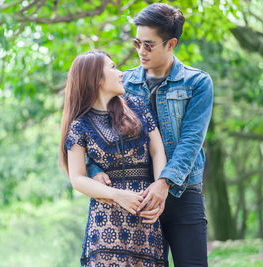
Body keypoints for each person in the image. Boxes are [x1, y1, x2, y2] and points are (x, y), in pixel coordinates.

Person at [87, 3, 213, 267]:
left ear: (171, 44)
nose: (140, 52)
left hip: (182, 191)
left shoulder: (198, 83)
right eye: (137, 43)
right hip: (135, 197)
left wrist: (163, 183)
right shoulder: (123, 83)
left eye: (149, 45)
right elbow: (93, 128)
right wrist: (94, 167)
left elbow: (191, 141)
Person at [60, 50, 168, 266]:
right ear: (96, 78)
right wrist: (117, 195)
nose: (120, 74)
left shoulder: (137, 107)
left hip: (146, 217)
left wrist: (159, 189)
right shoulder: (79, 126)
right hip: (106, 224)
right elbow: (78, 179)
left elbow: (157, 151)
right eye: (112, 68)